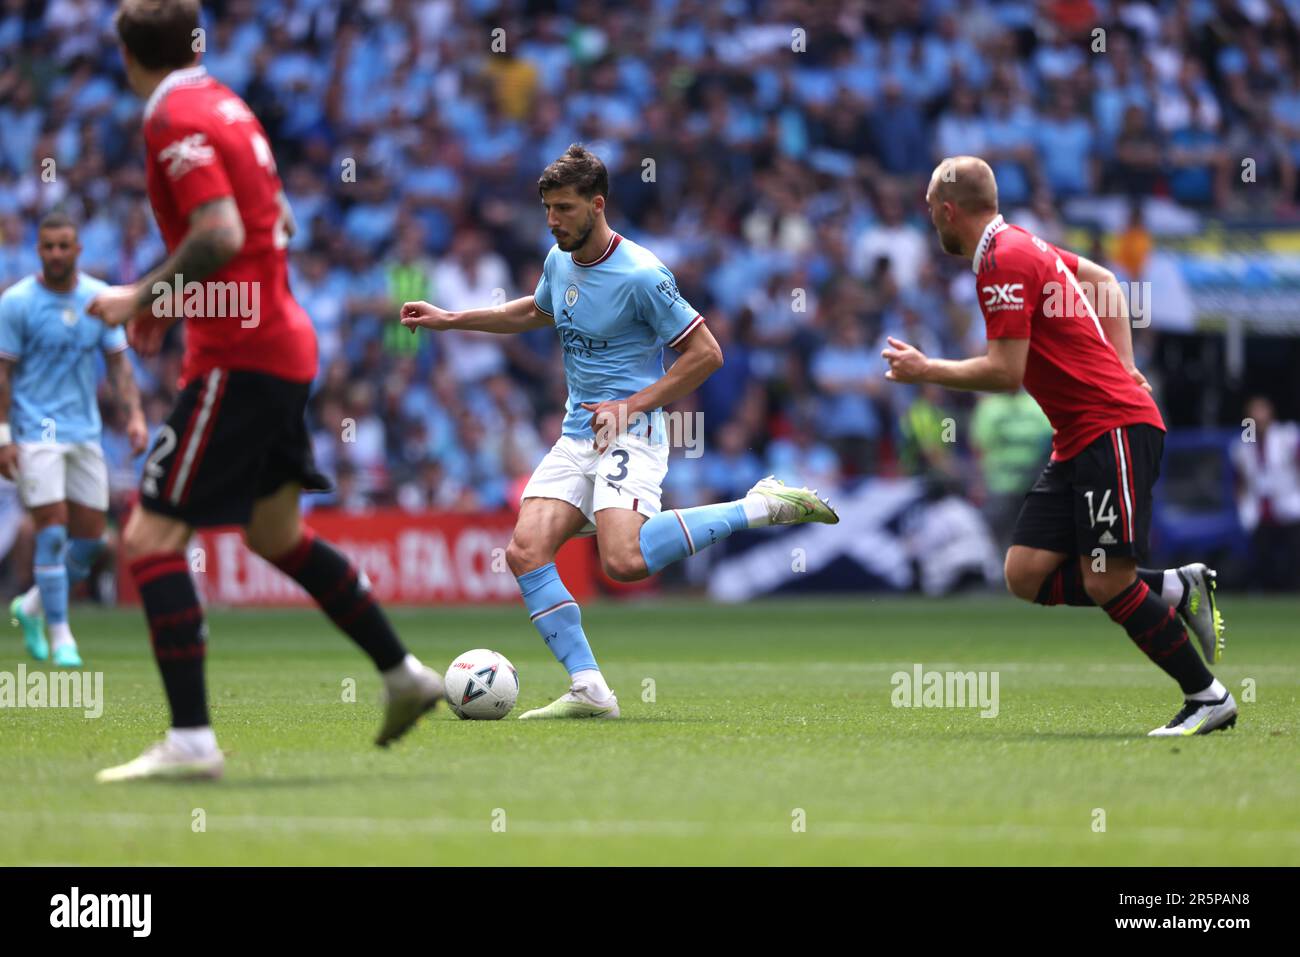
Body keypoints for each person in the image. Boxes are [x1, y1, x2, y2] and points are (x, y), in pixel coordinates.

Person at [84, 0, 443, 782]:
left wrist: (139, 296)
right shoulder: (226, 103)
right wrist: (175, 300)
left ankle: (190, 739)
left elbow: (220, 233)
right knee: (274, 533)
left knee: (147, 539)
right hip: (283, 340)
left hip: (239, 358)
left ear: (127, 56)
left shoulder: (171, 115)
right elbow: (274, 218)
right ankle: (403, 672)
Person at [400, 144, 838, 720]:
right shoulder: (560, 259)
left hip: (634, 433)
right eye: (547, 209)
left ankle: (762, 505)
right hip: (577, 432)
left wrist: (631, 406)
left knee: (624, 562)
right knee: (526, 552)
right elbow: (534, 310)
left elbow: (706, 354)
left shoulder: (642, 275)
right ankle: (590, 690)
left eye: (562, 208)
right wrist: (452, 319)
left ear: (597, 204)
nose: (552, 220)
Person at [882, 155, 1233, 737]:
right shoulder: (1021, 244)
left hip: (1110, 426)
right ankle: (1175, 586)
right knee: (1025, 573)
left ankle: (1207, 696)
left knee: (1106, 578)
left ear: (948, 210)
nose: (930, 223)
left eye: (929, 212)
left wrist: (926, 369)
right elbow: (1102, 281)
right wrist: (1125, 362)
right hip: (1080, 436)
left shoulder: (1001, 260)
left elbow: (1005, 374)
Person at [0, 210, 148, 667]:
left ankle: (32, 607)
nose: (57, 254)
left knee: (90, 539)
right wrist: (4, 435)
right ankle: (62, 634)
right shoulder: (16, 303)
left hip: (85, 432)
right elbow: (2, 375)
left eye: (65, 245)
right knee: (51, 528)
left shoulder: (99, 300)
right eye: (49, 246)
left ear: (78, 250)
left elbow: (119, 365)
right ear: (39, 250)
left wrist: (136, 416)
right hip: (35, 432)